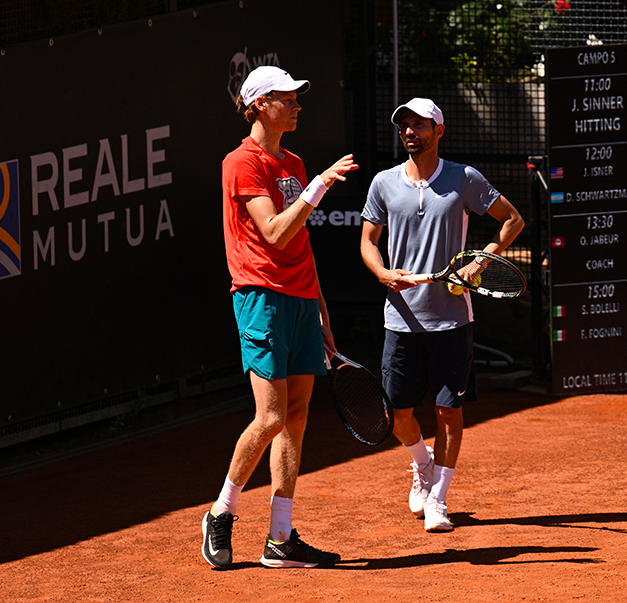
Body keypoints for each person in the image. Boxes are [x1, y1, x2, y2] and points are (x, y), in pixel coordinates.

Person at [201, 66, 358, 569]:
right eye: (287, 97)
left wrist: (321, 309)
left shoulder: (292, 162)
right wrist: (317, 189)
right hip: (260, 296)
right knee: (270, 416)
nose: (296, 105)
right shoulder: (241, 163)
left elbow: (301, 241)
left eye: (296, 97)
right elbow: (272, 231)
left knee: (296, 416)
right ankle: (220, 514)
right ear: (260, 104)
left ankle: (280, 537)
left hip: (300, 298)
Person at [359, 98, 524, 533]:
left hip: (452, 319)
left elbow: (512, 220)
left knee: (449, 411)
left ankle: (438, 498)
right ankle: (422, 462)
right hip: (401, 320)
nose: (410, 131)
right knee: (398, 414)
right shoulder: (383, 183)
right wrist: (381, 273)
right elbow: (368, 241)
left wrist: (480, 262)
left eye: (419, 124)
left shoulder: (463, 179)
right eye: (404, 126)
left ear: (439, 130)